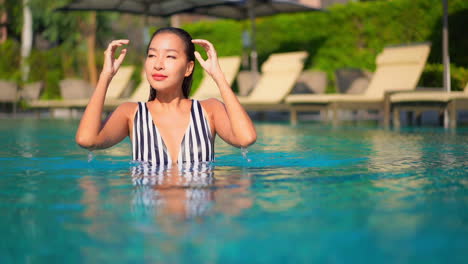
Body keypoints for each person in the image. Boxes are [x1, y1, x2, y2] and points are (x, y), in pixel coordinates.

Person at [76, 27, 256, 165]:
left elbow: (245, 138)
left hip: (199, 213)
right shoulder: (131, 113)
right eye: (152, 55)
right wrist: (105, 77)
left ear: (188, 68)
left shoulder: (209, 110)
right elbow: (87, 140)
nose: (158, 64)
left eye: (170, 56)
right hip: (150, 213)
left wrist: (219, 77)